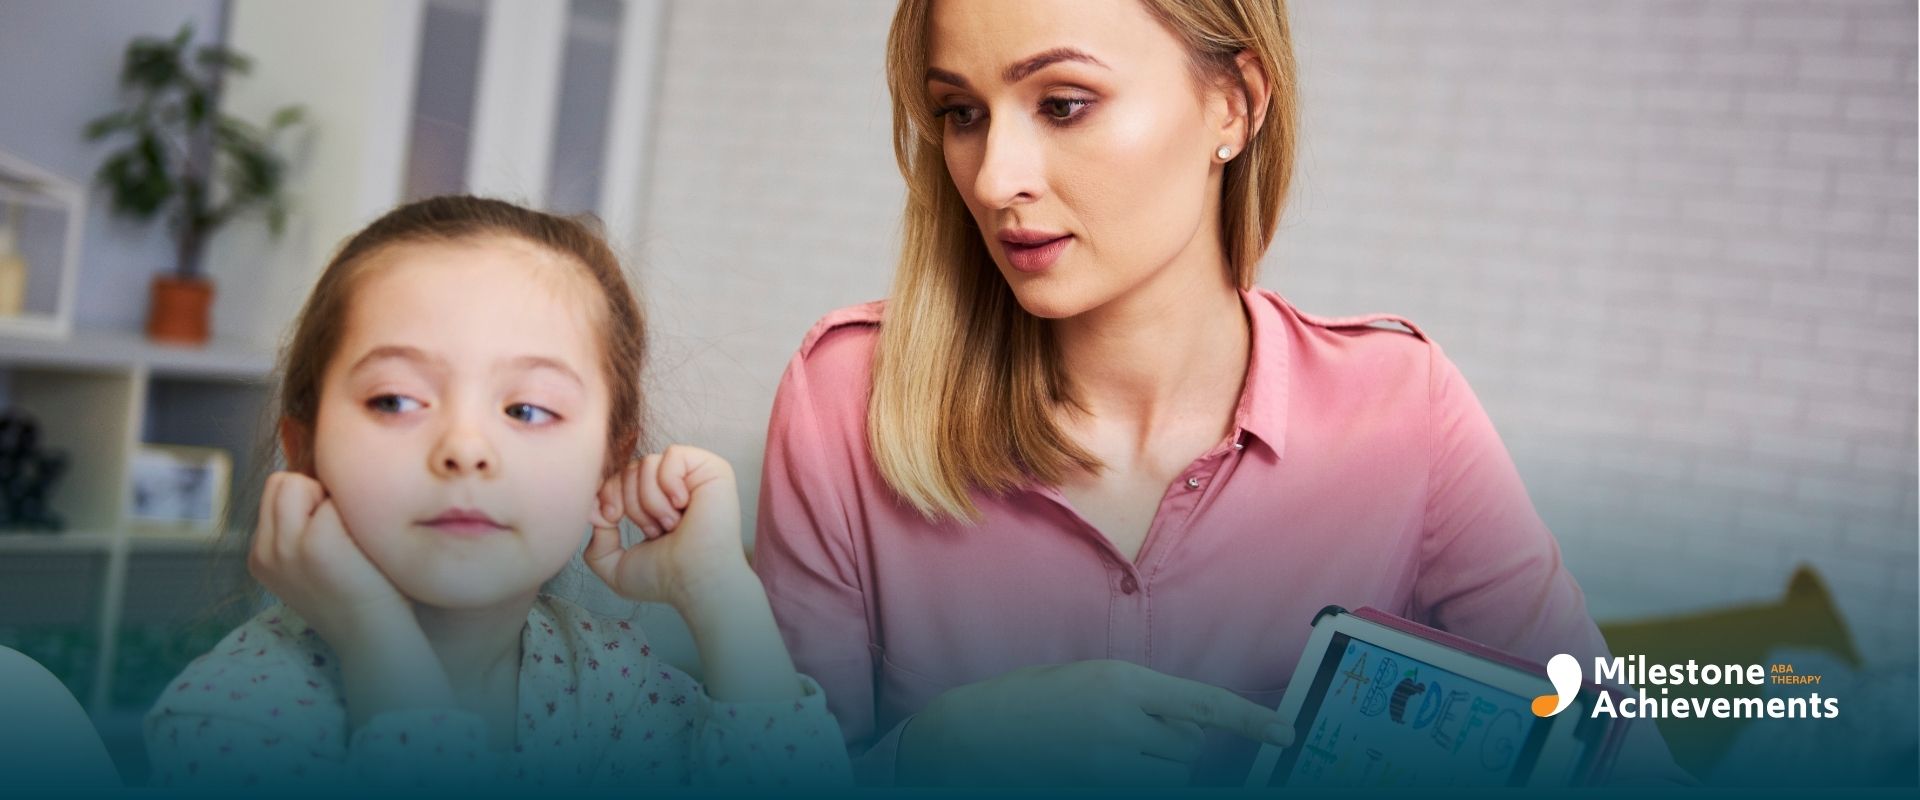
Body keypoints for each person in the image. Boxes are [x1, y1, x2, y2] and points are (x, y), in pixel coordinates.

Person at [751, 0, 1692, 788]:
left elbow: (1620, 761)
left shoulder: (1402, 411)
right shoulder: (845, 399)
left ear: (1234, 105)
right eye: (961, 114)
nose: (997, 178)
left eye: (1065, 104)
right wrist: (947, 754)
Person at [145, 196, 849, 789]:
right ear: (303, 454)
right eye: (394, 400)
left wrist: (722, 595)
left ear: (608, 464)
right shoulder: (234, 718)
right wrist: (379, 645)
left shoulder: (607, 683)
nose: (465, 449)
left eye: (527, 410)